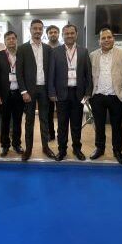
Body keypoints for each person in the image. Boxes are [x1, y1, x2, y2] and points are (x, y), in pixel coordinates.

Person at [48, 24, 92, 161]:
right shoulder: (55, 52)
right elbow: (51, 73)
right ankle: (62, 150)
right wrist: (52, 92)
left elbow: (88, 74)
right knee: (62, 125)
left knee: (76, 124)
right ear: (63, 35)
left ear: (76, 34)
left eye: (72, 33)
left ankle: (77, 149)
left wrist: (88, 92)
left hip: (78, 93)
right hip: (61, 94)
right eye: (67, 33)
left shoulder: (84, 51)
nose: (69, 36)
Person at [89, 28, 122, 164]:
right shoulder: (93, 55)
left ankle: (117, 151)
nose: (106, 40)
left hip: (116, 96)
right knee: (99, 125)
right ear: (99, 41)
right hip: (97, 96)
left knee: (116, 125)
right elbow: (90, 76)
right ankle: (99, 148)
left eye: (109, 37)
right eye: (103, 38)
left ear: (113, 39)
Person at [16, 19, 56, 161]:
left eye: (40, 28)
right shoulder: (22, 48)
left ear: (42, 30)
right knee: (29, 121)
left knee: (45, 119)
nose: (38, 31)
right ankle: (28, 149)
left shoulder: (48, 49)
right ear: (30, 29)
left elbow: (51, 71)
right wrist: (23, 91)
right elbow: (19, 72)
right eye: (35, 28)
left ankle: (46, 147)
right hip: (29, 91)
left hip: (44, 89)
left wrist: (51, 91)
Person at [0, 31, 25, 158]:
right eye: (8, 39)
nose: (11, 41)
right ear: (4, 41)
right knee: (4, 121)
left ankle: (17, 144)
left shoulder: (22, 54)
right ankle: (5, 145)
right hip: (4, 95)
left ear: (16, 40)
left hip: (19, 93)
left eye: (13, 38)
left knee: (17, 121)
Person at [46, 25, 60, 142]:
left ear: (58, 34)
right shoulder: (44, 48)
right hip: (47, 85)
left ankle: (61, 134)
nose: (53, 34)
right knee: (48, 112)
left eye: (55, 32)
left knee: (61, 113)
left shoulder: (63, 47)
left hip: (61, 85)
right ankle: (50, 134)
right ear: (47, 35)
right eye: (51, 32)